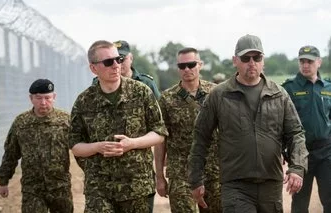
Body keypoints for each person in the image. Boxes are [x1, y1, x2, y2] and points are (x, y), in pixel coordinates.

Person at [188, 34, 309, 213]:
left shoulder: (279, 95)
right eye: (246, 58)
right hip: (236, 185)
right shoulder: (219, 95)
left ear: (263, 61)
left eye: (257, 57)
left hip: (271, 184)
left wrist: (297, 168)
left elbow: (295, 134)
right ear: (235, 60)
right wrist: (196, 179)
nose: (252, 62)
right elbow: (201, 137)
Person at [69, 40, 168, 213]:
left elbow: (159, 132)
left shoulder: (141, 92)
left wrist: (132, 143)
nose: (116, 66)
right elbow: (75, 146)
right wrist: (97, 147)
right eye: (108, 62)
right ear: (93, 68)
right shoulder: (84, 101)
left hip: (137, 185)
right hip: (99, 188)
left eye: (118, 60)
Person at [154, 47, 221, 213]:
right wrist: (160, 177)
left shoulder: (216, 93)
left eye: (191, 65)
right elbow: (161, 139)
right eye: (182, 66)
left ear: (200, 65)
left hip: (213, 171)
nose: (187, 70)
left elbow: (229, 131)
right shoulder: (167, 98)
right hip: (181, 173)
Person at [0, 79, 73, 213]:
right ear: (31, 98)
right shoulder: (21, 122)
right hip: (32, 188)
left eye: (47, 98)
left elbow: (80, 148)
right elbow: (10, 153)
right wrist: (4, 181)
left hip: (60, 186)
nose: (43, 103)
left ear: (54, 97)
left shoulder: (65, 120)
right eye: (38, 98)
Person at [282, 45, 331, 213]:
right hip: (301, 155)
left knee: (330, 199)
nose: (305, 65)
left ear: (319, 62)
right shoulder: (288, 88)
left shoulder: (328, 87)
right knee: (300, 203)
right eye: (302, 61)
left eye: (309, 61)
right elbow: (281, 123)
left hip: (327, 153)